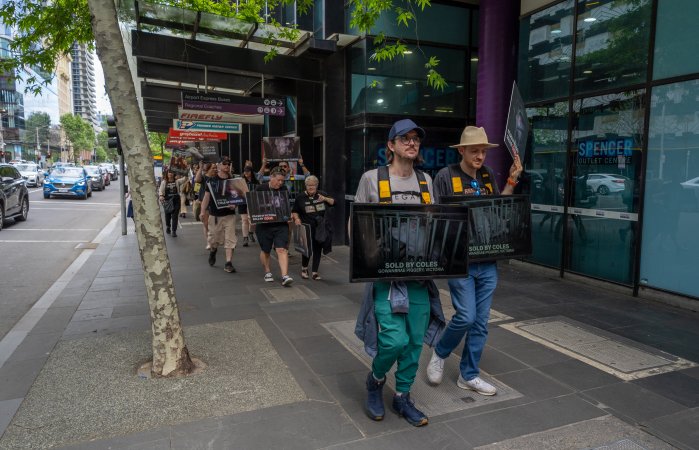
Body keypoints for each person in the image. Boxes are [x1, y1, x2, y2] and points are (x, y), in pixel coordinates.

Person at [353, 119, 444, 427]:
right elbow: (357, 226)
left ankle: (402, 396)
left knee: (415, 342)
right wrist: (369, 259)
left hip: (419, 276)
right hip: (387, 278)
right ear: (390, 145)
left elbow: (434, 225)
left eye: (416, 138)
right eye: (404, 138)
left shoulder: (426, 181)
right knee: (393, 340)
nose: (412, 142)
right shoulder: (371, 178)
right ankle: (376, 380)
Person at [426, 126, 522, 396]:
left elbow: (497, 208)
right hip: (460, 260)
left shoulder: (488, 176)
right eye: (474, 151)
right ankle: (440, 352)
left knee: (481, 322)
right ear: (462, 151)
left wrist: (511, 182)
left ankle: (468, 375)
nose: (480, 156)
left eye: (483, 151)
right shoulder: (445, 176)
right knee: (466, 316)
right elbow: (436, 217)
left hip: (487, 260)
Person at [255, 166, 293, 286]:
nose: (280, 183)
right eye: (278, 180)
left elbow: (285, 205)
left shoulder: (284, 189)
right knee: (265, 250)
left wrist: (289, 214)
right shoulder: (260, 188)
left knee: (281, 249)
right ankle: (267, 272)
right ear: (271, 177)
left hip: (280, 224)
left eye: (283, 181)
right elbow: (253, 204)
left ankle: (285, 276)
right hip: (264, 224)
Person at [291, 175, 334, 280]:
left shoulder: (322, 194)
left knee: (318, 249)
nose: (311, 187)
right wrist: (296, 219)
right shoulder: (300, 197)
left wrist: (324, 198)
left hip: (320, 227)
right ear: (305, 186)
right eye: (309, 185)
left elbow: (333, 202)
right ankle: (304, 269)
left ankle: (315, 272)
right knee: (307, 249)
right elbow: (295, 211)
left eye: (313, 185)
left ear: (316, 185)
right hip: (306, 227)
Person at [200, 158, 238, 273]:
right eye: (224, 163)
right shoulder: (211, 181)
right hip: (215, 215)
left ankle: (228, 263)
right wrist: (202, 211)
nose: (227, 165)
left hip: (229, 215)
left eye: (229, 164)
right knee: (214, 239)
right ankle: (213, 251)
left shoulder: (234, 181)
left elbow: (238, 196)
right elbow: (206, 197)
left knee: (230, 239)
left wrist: (235, 205)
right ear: (219, 165)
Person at [196, 162, 217, 248]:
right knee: (206, 224)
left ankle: (213, 239)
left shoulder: (217, 178)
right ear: (208, 170)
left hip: (215, 203)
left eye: (216, 168)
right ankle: (209, 242)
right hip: (205, 202)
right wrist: (200, 168)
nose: (215, 170)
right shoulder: (204, 178)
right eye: (213, 168)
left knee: (214, 224)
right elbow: (197, 180)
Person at [240, 163, 258, 247]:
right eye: (244, 171)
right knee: (244, 220)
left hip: (253, 201)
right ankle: (245, 238)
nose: (246, 173)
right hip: (243, 202)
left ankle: (250, 232)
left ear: (251, 172)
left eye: (248, 171)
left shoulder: (256, 181)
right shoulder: (241, 181)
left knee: (253, 220)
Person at [158, 171, 181, 237]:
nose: (170, 174)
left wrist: (185, 171)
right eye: (169, 173)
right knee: (167, 216)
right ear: (167, 174)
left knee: (175, 217)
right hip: (167, 201)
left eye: (171, 173)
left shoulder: (177, 181)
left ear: (173, 174)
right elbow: (160, 190)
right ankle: (168, 226)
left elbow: (185, 179)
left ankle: (174, 231)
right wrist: (161, 195)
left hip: (176, 201)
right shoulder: (164, 182)